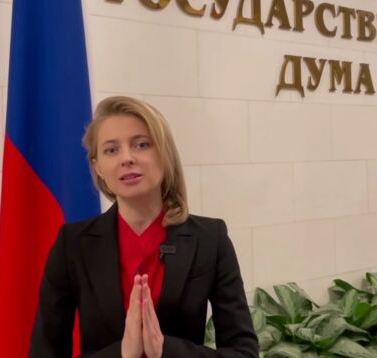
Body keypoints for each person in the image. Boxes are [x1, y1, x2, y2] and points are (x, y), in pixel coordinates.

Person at [29, 96, 258, 357]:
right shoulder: (72, 245)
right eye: (111, 150)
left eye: (141, 144)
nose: (127, 158)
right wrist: (121, 354)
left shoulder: (210, 239)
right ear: (97, 166)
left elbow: (245, 353)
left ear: (164, 153)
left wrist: (166, 350)